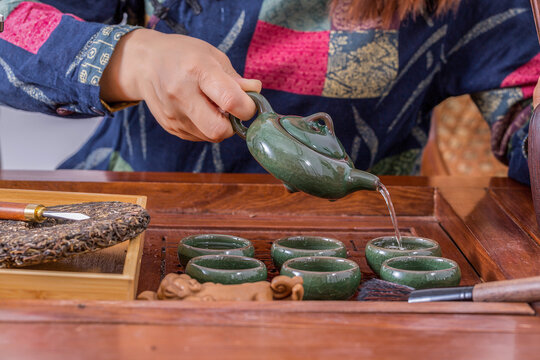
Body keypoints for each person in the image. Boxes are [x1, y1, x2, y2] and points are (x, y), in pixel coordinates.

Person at [0, 0, 538, 185]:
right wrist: (135, 59)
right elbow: (13, 30)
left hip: (357, 257)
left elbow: (522, 112)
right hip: (134, 206)